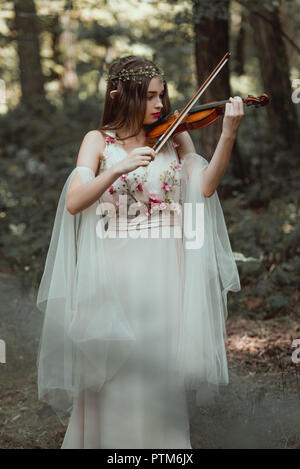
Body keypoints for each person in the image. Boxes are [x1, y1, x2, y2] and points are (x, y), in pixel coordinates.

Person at [36, 55, 243, 449]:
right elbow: (75, 201)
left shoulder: (177, 136)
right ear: (122, 96)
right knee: (116, 367)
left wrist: (229, 132)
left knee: (159, 364)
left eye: (161, 96)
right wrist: (117, 168)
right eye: (149, 97)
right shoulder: (99, 141)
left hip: (166, 266)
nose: (160, 105)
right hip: (115, 268)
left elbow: (204, 187)